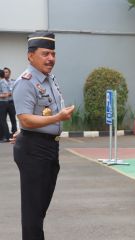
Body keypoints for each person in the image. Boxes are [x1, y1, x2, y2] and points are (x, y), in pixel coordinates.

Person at [12, 31, 75, 240]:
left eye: (53, 54)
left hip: (48, 148)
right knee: (33, 210)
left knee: (39, 207)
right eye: (45, 54)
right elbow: (25, 119)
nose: (51, 59)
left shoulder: (49, 79)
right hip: (33, 149)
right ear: (31, 56)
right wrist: (58, 117)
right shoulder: (26, 81)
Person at [3, 67, 18, 136]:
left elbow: (16, 91)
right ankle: (6, 134)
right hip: (3, 103)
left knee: (13, 119)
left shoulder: (13, 81)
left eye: (7, 72)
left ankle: (14, 133)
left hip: (11, 102)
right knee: (3, 119)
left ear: (9, 73)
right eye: (4, 72)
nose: (5, 73)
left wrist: (10, 93)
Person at [0, 69, 11, 142]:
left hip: (3, 103)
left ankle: (6, 137)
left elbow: (6, 94)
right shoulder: (3, 81)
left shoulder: (2, 82)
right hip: (3, 103)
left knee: (3, 120)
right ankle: (3, 136)